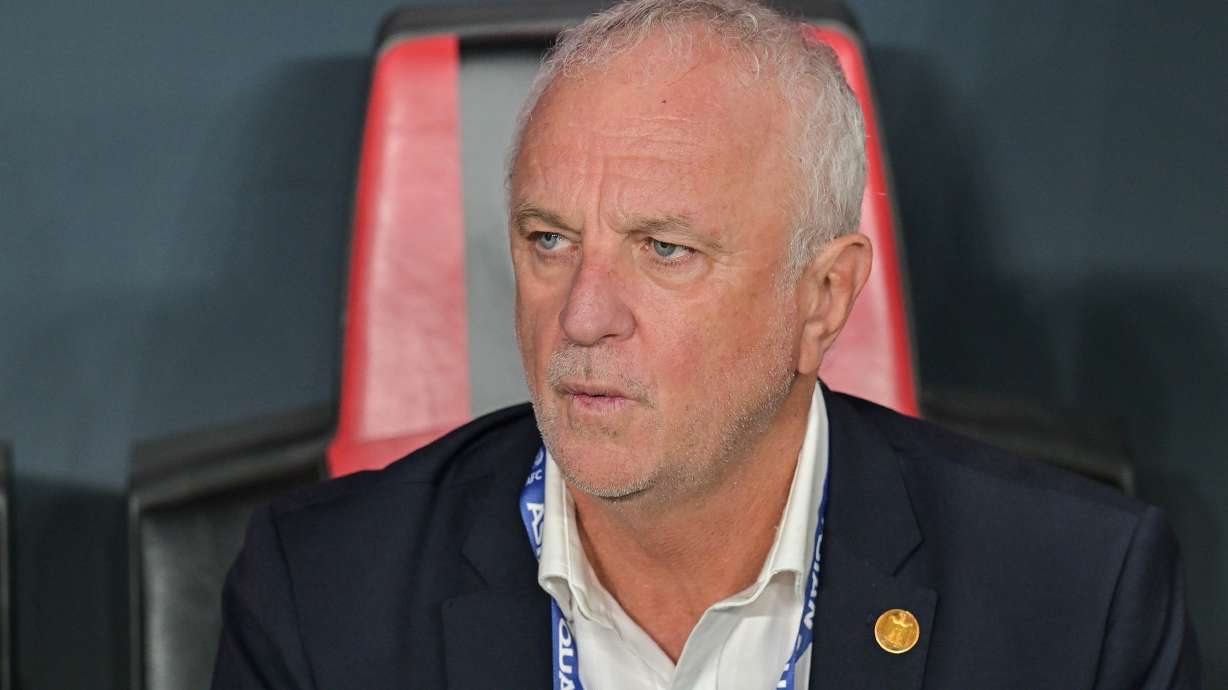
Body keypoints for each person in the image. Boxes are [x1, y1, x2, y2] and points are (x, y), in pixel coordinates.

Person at [211, 1, 1201, 688]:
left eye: (664, 249)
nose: (583, 314)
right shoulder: (324, 594)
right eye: (547, 240)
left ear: (821, 299)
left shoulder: (1073, 599)